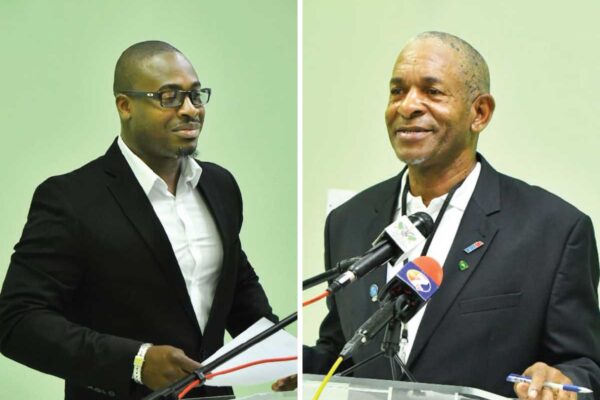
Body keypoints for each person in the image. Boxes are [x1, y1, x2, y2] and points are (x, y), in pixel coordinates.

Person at [303, 31, 600, 399]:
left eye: (432, 91)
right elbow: (341, 354)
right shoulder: (348, 221)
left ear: (480, 113)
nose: (408, 106)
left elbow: (584, 367)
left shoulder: (554, 230)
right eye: (397, 91)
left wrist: (560, 381)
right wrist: (291, 363)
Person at [0, 41, 278, 400]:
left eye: (195, 95)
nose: (190, 110)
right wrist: (136, 362)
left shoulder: (220, 185)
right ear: (125, 105)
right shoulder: (71, 199)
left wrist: (277, 351)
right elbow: (18, 320)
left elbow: (234, 285)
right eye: (169, 97)